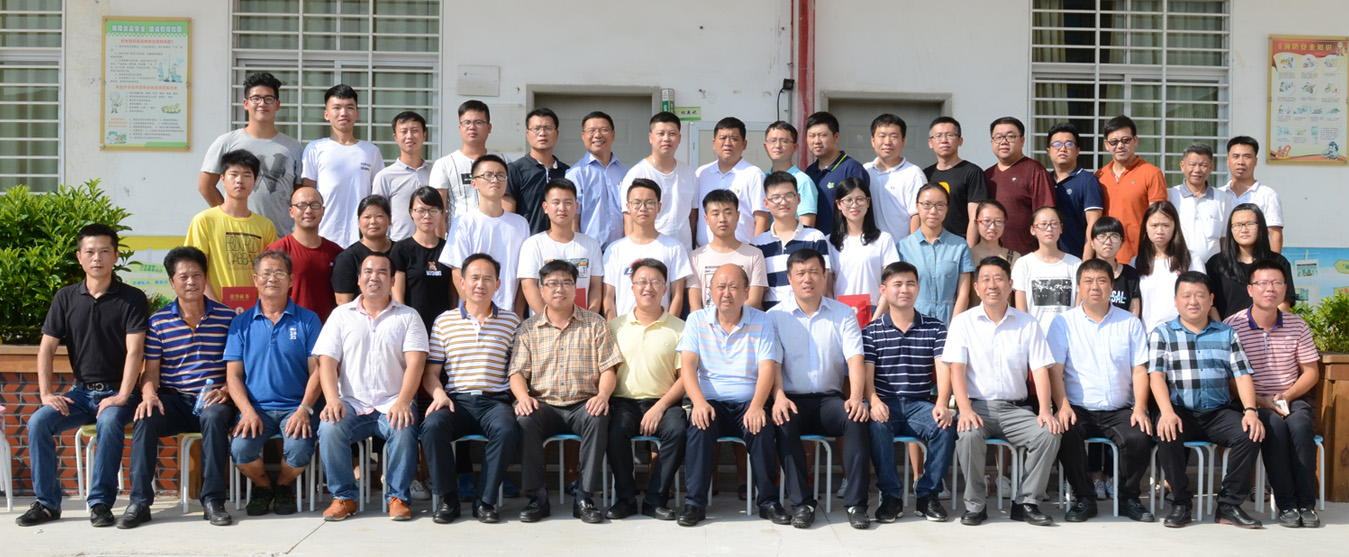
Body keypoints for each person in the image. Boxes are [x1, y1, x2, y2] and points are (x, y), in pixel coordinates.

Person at [18, 224, 148, 528]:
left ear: (116, 256)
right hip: (80, 393)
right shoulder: (65, 297)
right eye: (89, 252)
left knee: (110, 421)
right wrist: (46, 394)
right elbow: (47, 348)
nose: (97, 258)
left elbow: (135, 352)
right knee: (38, 421)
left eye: (104, 251)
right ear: (79, 257)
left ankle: (100, 503)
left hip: (118, 392)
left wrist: (122, 396)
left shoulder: (132, 298)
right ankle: (47, 504)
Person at [120, 247, 235, 528]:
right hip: (173, 399)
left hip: (213, 398)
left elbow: (238, 369)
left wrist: (226, 391)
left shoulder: (228, 318)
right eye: (183, 277)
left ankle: (213, 501)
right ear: (172, 282)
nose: (191, 282)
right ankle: (139, 502)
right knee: (145, 417)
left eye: (197, 275)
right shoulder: (159, 321)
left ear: (205, 278)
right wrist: (148, 395)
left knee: (214, 417)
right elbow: (151, 371)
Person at [947, 256, 1061, 527]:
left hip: (1015, 410)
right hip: (977, 407)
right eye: (986, 279)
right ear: (976, 288)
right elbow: (956, 370)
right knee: (968, 434)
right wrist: (964, 410)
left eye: (999, 279)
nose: (992, 285)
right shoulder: (963, 322)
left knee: (1048, 433)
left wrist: (1046, 410)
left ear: (1010, 285)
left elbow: (1040, 370)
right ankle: (975, 505)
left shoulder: (1027, 323)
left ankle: (1026, 502)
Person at [315, 252, 428, 521]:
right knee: (329, 427)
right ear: (358, 279)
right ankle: (344, 497)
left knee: (403, 427)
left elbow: (416, 364)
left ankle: (398, 497)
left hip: (393, 400)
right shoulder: (340, 315)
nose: (374, 277)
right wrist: (332, 399)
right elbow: (326, 362)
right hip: (352, 403)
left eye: (381, 272)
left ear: (392, 280)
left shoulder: (408, 316)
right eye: (368, 271)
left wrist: (404, 401)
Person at [509, 260, 623, 524]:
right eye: (552, 283)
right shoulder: (528, 328)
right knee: (524, 419)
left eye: (566, 283)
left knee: (598, 417)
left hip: (583, 404)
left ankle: (584, 497)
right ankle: (537, 497)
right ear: (541, 289)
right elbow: (517, 372)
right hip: (544, 405)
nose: (559, 289)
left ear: (575, 288)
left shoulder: (595, 324)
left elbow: (608, 369)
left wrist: (602, 396)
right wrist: (523, 397)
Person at [1149, 272, 1264, 529]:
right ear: (1176, 301)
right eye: (1186, 296)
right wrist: (1166, 411)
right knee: (1166, 431)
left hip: (1218, 412)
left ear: (1211, 299)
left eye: (1200, 295)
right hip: (1180, 411)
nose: (1193, 301)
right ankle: (1181, 503)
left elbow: (1242, 375)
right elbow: (1156, 376)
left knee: (1249, 433)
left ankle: (1229, 505)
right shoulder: (1163, 333)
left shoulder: (1227, 333)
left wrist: (1250, 410)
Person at [1046, 258, 1156, 523]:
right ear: (1079, 287)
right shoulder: (1063, 323)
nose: (1095, 286)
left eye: (1102, 280)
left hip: (1119, 408)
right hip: (1078, 408)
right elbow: (1055, 371)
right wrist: (1062, 406)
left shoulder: (1130, 322)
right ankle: (1084, 498)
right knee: (1064, 432)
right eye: (1088, 281)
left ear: (1112, 286)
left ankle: (1128, 498)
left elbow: (1139, 370)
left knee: (1140, 435)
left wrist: (1140, 408)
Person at [676, 264, 787, 527]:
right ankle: (694, 504)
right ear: (710, 290)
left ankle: (768, 502)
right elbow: (688, 367)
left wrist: (757, 406)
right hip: (710, 402)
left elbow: (767, 368)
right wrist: (698, 403)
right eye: (721, 287)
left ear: (746, 292)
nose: (727, 293)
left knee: (762, 429)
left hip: (748, 402)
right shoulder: (696, 320)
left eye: (734, 287)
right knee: (699, 427)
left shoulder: (762, 320)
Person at [768, 250, 872, 529]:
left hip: (830, 400)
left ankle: (856, 504)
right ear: (789, 278)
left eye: (814, 272)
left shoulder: (843, 313)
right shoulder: (774, 316)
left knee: (856, 417)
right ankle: (802, 504)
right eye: (800, 273)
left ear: (825, 276)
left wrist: (856, 397)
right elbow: (772, 363)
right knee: (783, 420)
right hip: (792, 399)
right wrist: (778, 396)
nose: (808, 279)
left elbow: (855, 358)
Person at [420, 253, 522, 524]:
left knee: (507, 429)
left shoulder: (511, 322)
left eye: (488, 278)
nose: (480, 284)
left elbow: (518, 370)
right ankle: (448, 500)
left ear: (498, 284)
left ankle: (485, 502)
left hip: (495, 402)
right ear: (462, 282)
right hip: (456, 401)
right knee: (432, 426)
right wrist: (439, 394)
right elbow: (430, 373)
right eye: (474, 278)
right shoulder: (444, 321)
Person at [223, 250, 323, 517]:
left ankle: (283, 485)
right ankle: (263, 485)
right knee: (240, 450)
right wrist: (246, 411)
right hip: (256, 408)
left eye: (279, 273)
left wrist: (304, 409)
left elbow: (318, 371)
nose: (272, 279)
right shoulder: (240, 323)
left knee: (299, 450)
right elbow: (233, 376)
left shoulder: (308, 319)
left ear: (291, 279)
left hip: (296, 407)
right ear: (255, 279)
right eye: (266, 273)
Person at [1223, 260, 1320, 528]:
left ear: (1285, 289)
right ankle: (1287, 505)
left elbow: (1311, 372)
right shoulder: (1232, 326)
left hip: (1290, 397)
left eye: (1277, 283)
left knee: (1301, 427)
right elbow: (1229, 379)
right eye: (1263, 283)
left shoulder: (1297, 325)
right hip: (1250, 401)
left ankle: (1306, 504)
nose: (1270, 289)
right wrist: (1259, 401)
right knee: (1273, 428)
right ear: (1250, 289)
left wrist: (1287, 395)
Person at [864, 261, 956, 524]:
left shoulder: (935, 328)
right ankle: (891, 496)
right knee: (876, 425)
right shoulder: (871, 331)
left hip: (919, 405)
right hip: (885, 403)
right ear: (884, 290)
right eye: (897, 284)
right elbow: (866, 377)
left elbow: (944, 370)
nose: (904, 289)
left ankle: (927, 494)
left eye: (910, 283)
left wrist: (942, 403)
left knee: (944, 425)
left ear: (918, 288)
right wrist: (873, 401)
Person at [605, 259, 688, 521]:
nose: (648, 287)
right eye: (641, 282)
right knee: (613, 430)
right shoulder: (615, 327)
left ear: (665, 288)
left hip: (665, 402)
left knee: (677, 430)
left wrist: (660, 407)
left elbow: (685, 377)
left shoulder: (680, 327)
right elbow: (606, 371)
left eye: (655, 282)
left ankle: (656, 500)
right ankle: (626, 499)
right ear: (632, 288)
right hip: (623, 402)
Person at [198, 72, 303, 236]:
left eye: (269, 99)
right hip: (236, 235)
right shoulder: (226, 142)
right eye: (256, 98)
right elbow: (205, 186)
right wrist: (229, 217)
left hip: (279, 236)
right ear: (246, 103)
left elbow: (301, 194)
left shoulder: (293, 147)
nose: (262, 103)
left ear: (277, 104)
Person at [438, 154, 530, 315]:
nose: (495, 180)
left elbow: (524, 274)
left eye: (501, 175)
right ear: (474, 183)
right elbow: (457, 271)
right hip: (472, 315)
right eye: (488, 175)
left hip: (508, 315)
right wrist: (473, 311)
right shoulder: (464, 222)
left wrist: (518, 315)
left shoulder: (520, 223)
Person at [185, 149, 279, 305]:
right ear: (222, 179)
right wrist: (217, 308)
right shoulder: (204, 221)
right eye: (233, 174)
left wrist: (261, 308)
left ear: (255, 181)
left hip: (254, 311)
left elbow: (271, 272)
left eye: (247, 175)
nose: (240, 180)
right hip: (213, 310)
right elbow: (195, 270)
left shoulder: (265, 225)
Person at [301, 84, 386, 247]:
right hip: (323, 236)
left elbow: (378, 198)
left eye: (349, 107)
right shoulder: (314, 149)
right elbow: (307, 196)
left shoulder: (371, 151)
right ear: (326, 114)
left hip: (363, 239)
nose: (343, 113)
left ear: (357, 114)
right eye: (337, 108)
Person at [602, 178, 693, 319]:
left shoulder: (674, 248)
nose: (643, 208)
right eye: (637, 203)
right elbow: (608, 297)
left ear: (659, 207)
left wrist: (669, 327)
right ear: (628, 207)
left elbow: (677, 296)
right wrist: (613, 328)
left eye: (649, 203)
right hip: (623, 328)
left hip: (662, 327)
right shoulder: (614, 250)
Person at [519, 178, 605, 314]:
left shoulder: (591, 244)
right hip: (545, 323)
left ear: (576, 207)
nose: (562, 208)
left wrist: (589, 318)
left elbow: (595, 286)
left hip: (583, 322)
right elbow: (528, 286)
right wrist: (549, 320)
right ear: (545, 207)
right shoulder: (533, 244)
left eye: (568, 202)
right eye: (556, 202)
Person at [752, 171, 832, 309]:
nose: (783, 202)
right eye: (776, 197)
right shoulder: (757, 243)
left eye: (789, 195)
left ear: (798, 198)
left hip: (807, 315)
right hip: (771, 317)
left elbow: (822, 284)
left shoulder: (815, 238)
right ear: (766, 203)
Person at [897, 183, 975, 325]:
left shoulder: (959, 245)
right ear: (917, 206)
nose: (933, 211)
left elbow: (963, 294)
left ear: (947, 208)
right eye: (927, 204)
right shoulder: (903, 247)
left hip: (948, 324)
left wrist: (954, 329)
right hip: (913, 326)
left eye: (940, 205)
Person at [1095, 115, 1168, 265]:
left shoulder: (1152, 173)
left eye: (1125, 140)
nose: (1120, 145)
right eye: (1114, 142)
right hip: (1105, 257)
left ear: (1135, 140)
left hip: (1140, 257)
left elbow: (1158, 219)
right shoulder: (1099, 176)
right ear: (1106, 145)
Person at [431, 100, 509, 237]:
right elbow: (438, 210)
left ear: (489, 127)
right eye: (466, 123)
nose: (472, 127)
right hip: (459, 237)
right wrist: (441, 244)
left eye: (478, 122)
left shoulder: (503, 161)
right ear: (459, 127)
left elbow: (508, 201)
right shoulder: (444, 164)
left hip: (496, 235)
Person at [620, 112, 698, 249]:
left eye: (672, 134)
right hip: (649, 251)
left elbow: (693, 217)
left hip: (683, 251)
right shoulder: (636, 174)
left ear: (679, 138)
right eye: (661, 134)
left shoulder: (689, 174)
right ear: (651, 138)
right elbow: (629, 222)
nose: (666, 139)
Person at [266, 187, 344, 322]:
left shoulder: (337, 252)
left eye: (314, 205)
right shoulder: (277, 251)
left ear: (323, 210)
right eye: (301, 205)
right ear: (291, 211)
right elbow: (267, 297)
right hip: (290, 328)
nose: (308, 210)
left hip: (327, 329)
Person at [828, 178, 900, 324]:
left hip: (875, 313)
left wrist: (875, 320)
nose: (854, 205)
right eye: (848, 200)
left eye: (860, 199)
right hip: (841, 315)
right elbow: (827, 288)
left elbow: (890, 283)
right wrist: (837, 317)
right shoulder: (829, 242)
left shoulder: (883, 239)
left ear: (868, 202)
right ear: (839, 204)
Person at [1206, 204, 1295, 320]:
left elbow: (1284, 302)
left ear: (1260, 227)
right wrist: (1223, 330)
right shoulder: (1216, 264)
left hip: (1268, 330)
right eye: (1237, 225)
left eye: (1250, 224)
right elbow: (1211, 305)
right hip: (1227, 330)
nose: (1244, 230)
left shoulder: (1278, 263)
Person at [983, 116, 1055, 255]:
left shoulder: (1035, 170)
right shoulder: (987, 175)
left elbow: (1046, 216)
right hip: (992, 256)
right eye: (998, 137)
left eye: (1010, 137)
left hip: (1025, 255)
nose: (1004, 142)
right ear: (992, 142)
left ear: (1022, 140)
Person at [689, 190, 768, 311]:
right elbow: (695, 305)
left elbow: (755, 300)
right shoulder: (695, 257)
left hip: (746, 322)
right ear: (706, 219)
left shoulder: (754, 255)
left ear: (738, 216)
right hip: (706, 323)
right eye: (715, 214)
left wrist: (729, 318)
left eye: (728, 213)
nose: (722, 219)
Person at [696, 117, 768, 245]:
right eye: (722, 138)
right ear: (714, 143)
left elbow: (762, 218)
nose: (727, 143)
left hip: (743, 252)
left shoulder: (753, 174)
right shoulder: (702, 173)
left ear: (744, 144)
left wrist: (756, 250)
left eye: (734, 139)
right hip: (705, 252)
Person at [1135, 201, 1204, 332]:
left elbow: (1203, 299)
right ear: (1145, 227)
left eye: (1166, 225)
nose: (1160, 231)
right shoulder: (1136, 262)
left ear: (1175, 226)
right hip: (1149, 335)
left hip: (1186, 334)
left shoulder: (1192, 259)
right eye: (1154, 225)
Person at [1012, 207, 1083, 333]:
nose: (1049, 229)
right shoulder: (1023, 264)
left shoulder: (1075, 264)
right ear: (1033, 230)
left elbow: (1078, 309)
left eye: (1054, 224)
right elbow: (1021, 310)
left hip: (1067, 335)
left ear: (1061, 228)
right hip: (1035, 336)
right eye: (1043, 224)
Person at [391, 186, 452, 332]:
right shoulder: (401, 249)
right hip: (411, 327)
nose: (427, 216)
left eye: (433, 210)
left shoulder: (449, 248)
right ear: (411, 212)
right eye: (421, 210)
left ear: (441, 212)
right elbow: (398, 296)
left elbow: (453, 294)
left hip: (443, 329)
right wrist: (405, 325)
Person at [566, 111, 630, 247]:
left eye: (604, 130)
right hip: (590, 250)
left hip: (622, 249)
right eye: (591, 131)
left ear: (613, 134)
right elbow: (572, 220)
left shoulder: (627, 173)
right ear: (583, 136)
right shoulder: (575, 174)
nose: (598, 135)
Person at [923, 116, 989, 246]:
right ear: (930, 143)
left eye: (950, 135)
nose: (944, 140)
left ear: (960, 140)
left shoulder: (972, 172)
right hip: (932, 245)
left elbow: (975, 218)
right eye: (938, 136)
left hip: (959, 245)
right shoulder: (925, 174)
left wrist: (968, 250)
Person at [802, 111, 869, 234]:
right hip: (815, 242)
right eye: (811, 136)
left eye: (822, 135)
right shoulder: (809, 172)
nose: (816, 141)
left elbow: (861, 210)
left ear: (836, 137)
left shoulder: (852, 168)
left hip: (843, 241)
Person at [506, 107, 571, 234]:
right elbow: (508, 217)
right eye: (536, 129)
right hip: (526, 241)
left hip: (561, 242)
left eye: (548, 128)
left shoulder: (568, 172)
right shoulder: (514, 170)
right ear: (527, 134)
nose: (542, 133)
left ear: (557, 133)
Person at [1168, 142, 1234, 265]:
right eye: (1192, 164)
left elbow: (1225, 239)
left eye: (1203, 165)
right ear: (1182, 166)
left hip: (1213, 269)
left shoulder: (1223, 199)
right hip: (1178, 267)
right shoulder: (1170, 196)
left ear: (1211, 167)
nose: (1197, 170)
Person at [1045, 123, 1103, 259]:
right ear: (1048, 151)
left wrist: (1085, 262)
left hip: (1076, 258)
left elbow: (1093, 224)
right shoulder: (1045, 180)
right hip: (1048, 259)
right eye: (1057, 144)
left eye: (1069, 144)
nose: (1063, 149)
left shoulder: (1088, 181)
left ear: (1077, 151)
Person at [864, 113, 923, 243]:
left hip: (900, 249)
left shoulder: (913, 173)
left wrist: (911, 248)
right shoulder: (865, 171)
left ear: (903, 140)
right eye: (882, 136)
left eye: (894, 136)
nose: (887, 142)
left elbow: (917, 215)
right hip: (870, 248)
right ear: (873, 140)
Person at [372, 111, 431, 241]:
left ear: (424, 135)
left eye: (415, 130)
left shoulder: (435, 172)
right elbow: (377, 215)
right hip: (398, 244)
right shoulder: (384, 176)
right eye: (404, 131)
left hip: (431, 245)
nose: (409, 136)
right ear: (395, 137)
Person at [1220, 136, 1284, 252]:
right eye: (1236, 156)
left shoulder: (1267, 195)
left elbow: (1275, 236)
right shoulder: (1219, 195)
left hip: (1257, 260)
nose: (1241, 162)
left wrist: (1272, 262)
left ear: (1255, 161)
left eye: (1247, 156)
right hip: (1224, 260)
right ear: (1228, 161)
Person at [331, 195, 393, 305]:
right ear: (359, 222)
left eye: (379, 216)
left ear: (389, 220)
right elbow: (343, 302)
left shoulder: (400, 251)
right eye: (367, 217)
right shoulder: (347, 258)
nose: (373, 221)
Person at [763, 121, 820, 227]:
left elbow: (806, 225)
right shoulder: (762, 178)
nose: (777, 146)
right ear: (765, 146)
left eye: (784, 141)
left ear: (795, 147)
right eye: (773, 141)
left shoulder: (803, 181)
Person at [968, 199, 1020, 304]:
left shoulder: (1014, 258)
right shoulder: (967, 255)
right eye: (987, 221)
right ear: (977, 223)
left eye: (998, 221)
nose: (992, 227)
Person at [1088, 217, 1142, 317]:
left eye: (1114, 236)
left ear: (1121, 243)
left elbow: (1134, 313)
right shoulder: (1085, 273)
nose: (1108, 242)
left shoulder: (1130, 275)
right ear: (1092, 243)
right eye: (1102, 236)